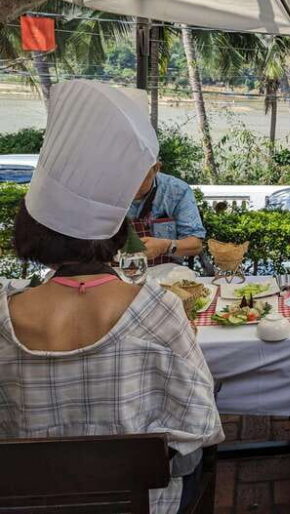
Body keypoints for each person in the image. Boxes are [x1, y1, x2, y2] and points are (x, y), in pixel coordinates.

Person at [0, 80, 224, 513]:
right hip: (138, 503)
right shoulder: (157, 308)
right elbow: (199, 428)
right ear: (117, 235)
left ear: (29, 232)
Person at [128, 162, 205, 264]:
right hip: (112, 273)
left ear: (156, 168)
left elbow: (196, 245)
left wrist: (165, 246)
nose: (130, 184)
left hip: (166, 274)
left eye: (138, 175)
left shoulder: (177, 191)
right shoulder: (102, 188)